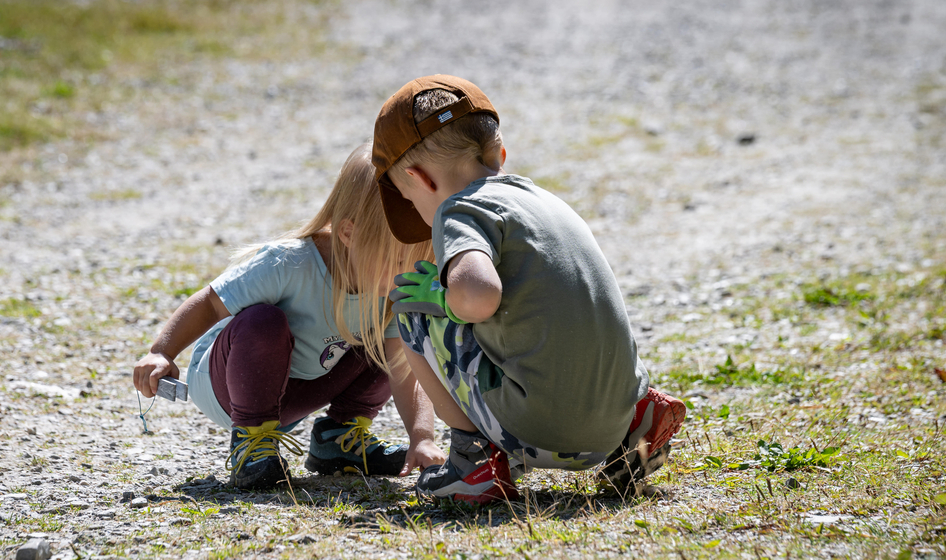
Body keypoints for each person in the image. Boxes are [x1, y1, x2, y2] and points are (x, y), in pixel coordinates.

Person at [370, 75, 686, 503]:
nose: (419, 214)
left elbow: (478, 295)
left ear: (421, 180)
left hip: (540, 432)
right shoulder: (548, 203)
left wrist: (442, 297)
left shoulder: (456, 210)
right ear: (498, 154)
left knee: (411, 303)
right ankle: (637, 426)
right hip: (612, 418)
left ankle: (473, 461)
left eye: (409, 201)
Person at [133, 142, 445, 490]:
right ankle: (251, 442)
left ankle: (338, 439)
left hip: (301, 389)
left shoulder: (387, 288)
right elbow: (209, 302)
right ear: (348, 233)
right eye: (399, 261)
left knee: (394, 338)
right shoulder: (289, 264)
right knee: (263, 321)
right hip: (230, 384)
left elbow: (406, 369)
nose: (408, 273)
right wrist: (161, 351)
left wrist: (422, 437)